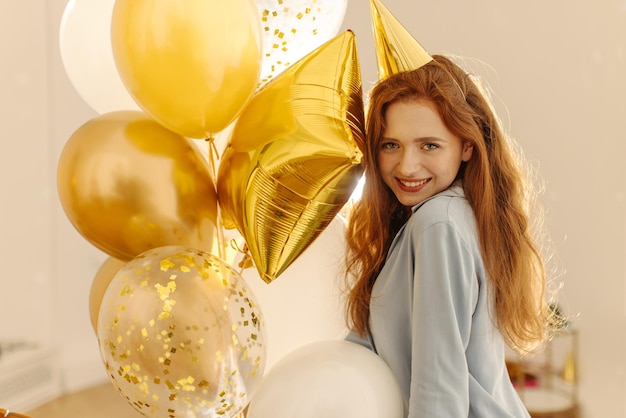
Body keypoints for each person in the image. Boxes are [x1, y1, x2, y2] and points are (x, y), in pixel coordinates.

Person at [343, 54, 557, 417]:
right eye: (391, 145)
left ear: (467, 146)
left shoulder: (438, 224)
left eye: (429, 145)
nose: (407, 166)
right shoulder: (455, 215)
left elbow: (438, 391)